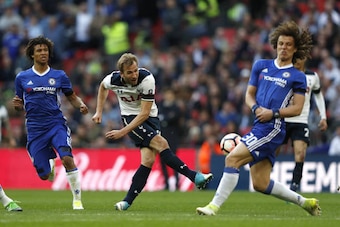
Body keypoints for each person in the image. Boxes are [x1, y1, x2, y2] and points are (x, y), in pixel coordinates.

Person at [196, 21, 321, 216]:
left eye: (288, 44)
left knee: (232, 159)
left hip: (274, 127)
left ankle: (213, 207)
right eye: (281, 44)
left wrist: (273, 113)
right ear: (275, 44)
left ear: (295, 48)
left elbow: (297, 108)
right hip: (259, 125)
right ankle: (305, 202)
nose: (284, 48)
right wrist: (255, 108)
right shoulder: (261, 66)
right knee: (261, 184)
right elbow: (249, 95)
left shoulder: (298, 77)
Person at [92, 53, 213, 211]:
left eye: (135, 70)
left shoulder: (147, 79)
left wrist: (122, 132)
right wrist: (98, 111)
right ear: (121, 74)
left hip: (149, 117)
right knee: (162, 143)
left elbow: (144, 113)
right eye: (129, 72)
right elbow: (102, 87)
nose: (134, 75)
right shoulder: (112, 80)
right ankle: (195, 177)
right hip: (130, 117)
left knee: (148, 160)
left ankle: (127, 202)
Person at [12, 36, 88, 210]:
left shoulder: (59, 75)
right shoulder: (22, 77)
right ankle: (49, 164)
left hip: (55, 124)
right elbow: (18, 104)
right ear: (32, 54)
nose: (43, 53)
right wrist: (17, 106)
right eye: (39, 50)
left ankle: (77, 200)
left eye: (45, 50)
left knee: (68, 158)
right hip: (34, 128)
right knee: (44, 175)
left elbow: (72, 97)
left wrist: (81, 105)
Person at [283, 57, 328, 192]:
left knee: (300, 153)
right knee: (274, 150)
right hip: (283, 118)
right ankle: (264, 177)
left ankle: (295, 184)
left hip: (301, 121)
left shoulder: (312, 76)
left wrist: (323, 117)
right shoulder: (286, 73)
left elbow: (318, 95)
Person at [158, 88, 181, 191]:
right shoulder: (161, 106)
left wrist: (164, 120)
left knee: (174, 160)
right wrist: (165, 120)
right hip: (161, 137)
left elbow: (173, 118)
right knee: (162, 161)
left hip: (172, 138)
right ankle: (166, 183)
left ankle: (176, 183)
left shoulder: (175, 107)